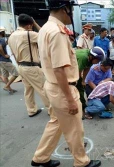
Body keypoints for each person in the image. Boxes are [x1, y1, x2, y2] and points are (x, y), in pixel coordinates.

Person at [31, 0, 101, 167]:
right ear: (64, 9)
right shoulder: (57, 32)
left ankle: (40, 158)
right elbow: (59, 70)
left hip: (53, 87)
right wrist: (70, 99)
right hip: (63, 89)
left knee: (56, 123)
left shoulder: (46, 28)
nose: (72, 14)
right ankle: (82, 162)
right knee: (75, 128)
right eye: (71, 9)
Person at [8, 14, 52, 117]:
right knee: (43, 88)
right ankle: (52, 110)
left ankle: (31, 110)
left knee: (28, 89)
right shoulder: (29, 34)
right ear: (29, 25)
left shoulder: (11, 36)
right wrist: (36, 24)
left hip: (21, 66)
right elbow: (45, 36)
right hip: (31, 66)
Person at [75, 46, 105, 118]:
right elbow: (78, 72)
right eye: (97, 60)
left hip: (76, 69)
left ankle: (82, 106)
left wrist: (83, 80)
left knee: (81, 87)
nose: (98, 62)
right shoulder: (84, 58)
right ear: (92, 57)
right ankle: (81, 109)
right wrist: (78, 82)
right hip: (69, 68)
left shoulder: (90, 59)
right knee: (78, 89)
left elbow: (87, 68)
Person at [0, 26, 19, 94]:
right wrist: (4, 55)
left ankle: (10, 89)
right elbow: (0, 48)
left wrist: (11, 35)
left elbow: (6, 43)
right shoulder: (1, 39)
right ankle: (7, 86)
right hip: (5, 60)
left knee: (5, 76)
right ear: (2, 32)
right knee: (16, 73)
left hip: (1, 61)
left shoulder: (2, 39)